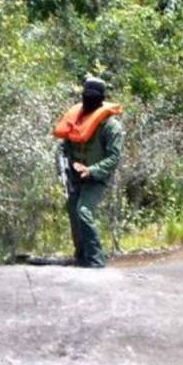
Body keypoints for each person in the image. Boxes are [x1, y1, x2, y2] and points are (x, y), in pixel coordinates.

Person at [53, 78, 124, 268]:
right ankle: (81, 256)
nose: (88, 100)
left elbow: (114, 158)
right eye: (85, 96)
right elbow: (64, 147)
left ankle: (96, 260)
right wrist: (62, 166)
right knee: (73, 210)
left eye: (92, 97)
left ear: (101, 99)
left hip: (96, 177)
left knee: (83, 211)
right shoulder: (77, 119)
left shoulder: (111, 126)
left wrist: (91, 170)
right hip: (75, 176)